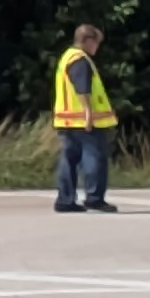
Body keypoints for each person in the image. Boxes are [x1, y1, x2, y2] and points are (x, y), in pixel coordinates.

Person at [51, 22, 118, 214]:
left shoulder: (67, 57)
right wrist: (88, 113)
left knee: (69, 160)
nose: (97, 47)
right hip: (83, 121)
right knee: (94, 159)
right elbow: (82, 88)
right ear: (87, 40)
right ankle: (94, 198)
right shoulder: (80, 60)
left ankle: (65, 200)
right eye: (96, 42)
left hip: (67, 120)